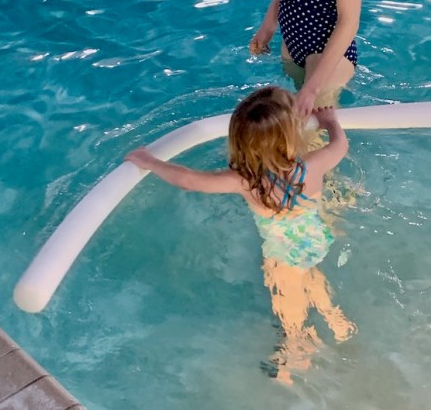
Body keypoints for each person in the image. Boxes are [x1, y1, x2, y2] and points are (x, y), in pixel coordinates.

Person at [125, 86, 356, 384]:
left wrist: (149, 161)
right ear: (292, 133)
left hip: (283, 255)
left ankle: (295, 351)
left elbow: (189, 180)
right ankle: (336, 320)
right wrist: (330, 122)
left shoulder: (246, 182)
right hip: (317, 238)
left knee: (289, 303)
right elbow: (340, 146)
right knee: (309, 271)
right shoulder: (311, 165)